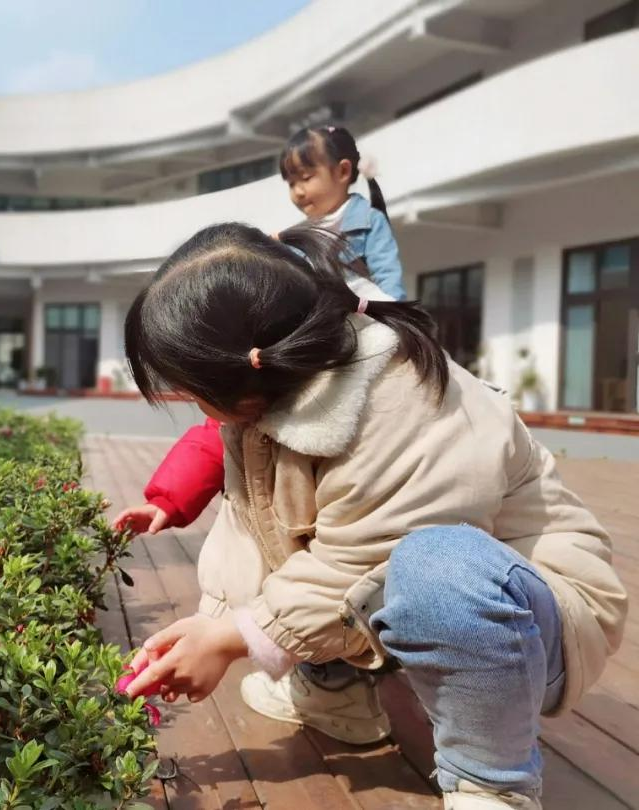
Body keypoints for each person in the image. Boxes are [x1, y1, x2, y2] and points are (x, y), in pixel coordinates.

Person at [119, 223, 627, 809]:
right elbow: (263, 540)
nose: (185, 399)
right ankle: (336, 694)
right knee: (295, 538)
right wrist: (213, 627)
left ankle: (490, 781)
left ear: (246, 366)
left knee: (434, 565)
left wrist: (232, 638)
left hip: (537, 623)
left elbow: (363, 562)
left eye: (185, 386)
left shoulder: (403, 397)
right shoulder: (272, 401)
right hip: (397, 589)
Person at [116, 124, 403, 537]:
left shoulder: (367, 223)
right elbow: (212, 438)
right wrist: (166, 501)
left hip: (349, 332)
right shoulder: (287, 244)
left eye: (307, 177)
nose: (299, 191)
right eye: (291, 182)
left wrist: (389, 321)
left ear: (343, 172)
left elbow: (389, 284)